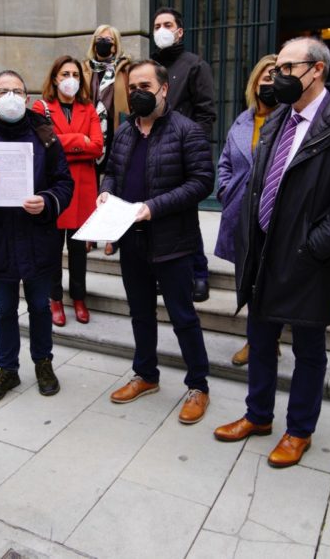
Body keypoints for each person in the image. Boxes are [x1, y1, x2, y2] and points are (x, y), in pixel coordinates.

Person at [213, 38, 330, 468]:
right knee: (260, 339)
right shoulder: (277, 121)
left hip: (310, 257)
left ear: (317, 69)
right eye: (278, 68)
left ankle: (299, 429)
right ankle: (258, 415)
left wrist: (314, 244)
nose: (278, 76)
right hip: (265, 251)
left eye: (288, 67)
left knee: (308, 347)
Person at [99, 59, 215, 424]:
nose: (138, 94)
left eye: (145, 87)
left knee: (183, 316)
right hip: (131, 240)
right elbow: (112, 173)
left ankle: (199, 386)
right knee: (140, 313)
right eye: (132, 88)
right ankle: (146, 375)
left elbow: (201, 183)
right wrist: (105, 194)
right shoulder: (124, 132)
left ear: (164, 89)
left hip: (173, 242)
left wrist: (153, 207)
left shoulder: (187, 131)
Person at [0, 69, 74, 406]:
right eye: (3, 91)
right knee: (4, 309)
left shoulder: (45, 135)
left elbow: (65, 184)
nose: (10, 97)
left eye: (17, 90)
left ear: (27, 97)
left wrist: (47, 201)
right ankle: (7, 368)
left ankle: (43, 363)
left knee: (39, 306)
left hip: (38, 237)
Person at [213, 54, 280, 366]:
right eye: (265, 78)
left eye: (277, 77)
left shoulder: (290, 121)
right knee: (249, 282)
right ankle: (258, 340)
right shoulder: (241, 121)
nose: (270, 84)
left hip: (274, 217)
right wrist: (225, 190)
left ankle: (264, 341)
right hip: (240, 214)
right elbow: (225, 162)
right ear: (255, 83)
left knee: (268, 282)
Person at [31, 55, 103, 326]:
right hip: (55, 188)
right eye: (65, 74)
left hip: (83, 189)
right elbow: (41, 144)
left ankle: (79, 298)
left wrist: (63, 145)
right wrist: (78, 141)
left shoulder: (89, 108)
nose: (70, 79)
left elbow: (97, 147)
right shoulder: (41, 108)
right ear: (54, 78)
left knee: (78, 251)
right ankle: (55, 299)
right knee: (52, 249)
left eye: (75, 74)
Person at [151, 7, 215, 301]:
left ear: (179, 31)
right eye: (157, 25)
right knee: (159, 217)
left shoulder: (195, 65)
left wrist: (194, 150)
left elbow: (205, 113)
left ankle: (199, 273)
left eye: (167, 24)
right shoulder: (150, 66)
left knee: (186, 215)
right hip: (153, 153)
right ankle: (167, 273)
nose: (162, 29)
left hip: (183, 152)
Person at [81, 24, 131, 256]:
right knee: (90, 185)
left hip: (116, 130)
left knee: (115, 185)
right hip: (91, 132)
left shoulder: (125, 69)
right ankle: (91, 233)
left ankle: (114, 235)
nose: (104, 42)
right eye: (100, 38)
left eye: (109, 39)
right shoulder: (84, 69)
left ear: (116, 43)